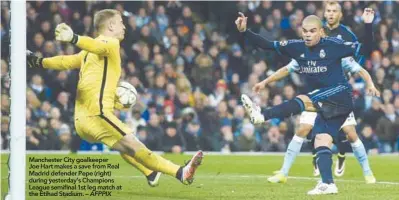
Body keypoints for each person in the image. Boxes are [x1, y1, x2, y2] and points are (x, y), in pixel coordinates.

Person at [27, 9, 203, 187]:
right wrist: (74, 38)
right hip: (97, 114)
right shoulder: (110, 44)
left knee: (122, 145)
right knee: (134, 145)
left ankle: (150, 172)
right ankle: (181, 172)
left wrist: (39, 61)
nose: (124, 26)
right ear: (111, 25)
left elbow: (65, 61)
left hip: (81, 121)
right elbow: (97, 47)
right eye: (120, 22)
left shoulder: (87, 53)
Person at [235, 8, 375, 195]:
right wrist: (245, 31)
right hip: (326, 103)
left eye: (312, 31)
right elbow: (266, 44)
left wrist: (368, 24)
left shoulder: (333, 45)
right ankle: (328, 183)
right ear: (301, 31)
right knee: (321, 140)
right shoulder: (296, 47)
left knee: (304, 99)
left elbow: (365, 48)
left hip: (340, 95)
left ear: (320, 32)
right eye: (305, 31)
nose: (308, 35)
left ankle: (262, 115)